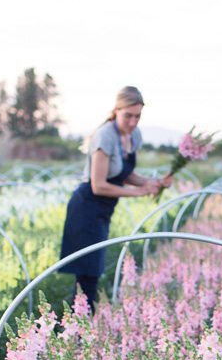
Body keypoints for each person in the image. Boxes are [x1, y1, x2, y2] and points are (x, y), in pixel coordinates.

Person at [59, 86, 172, 311]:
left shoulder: (132, 136)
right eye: (127, 115)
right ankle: (75, 331)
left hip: (103, 210)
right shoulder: (105, 136)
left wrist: (152, 183)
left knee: (92, 273)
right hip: (87, 207)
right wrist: (137, 192)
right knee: (88, 276)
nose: (132, 121)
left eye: (137, 116)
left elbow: (124, 173)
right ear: (116, 110)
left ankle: (78, 327)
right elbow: (98, 185)